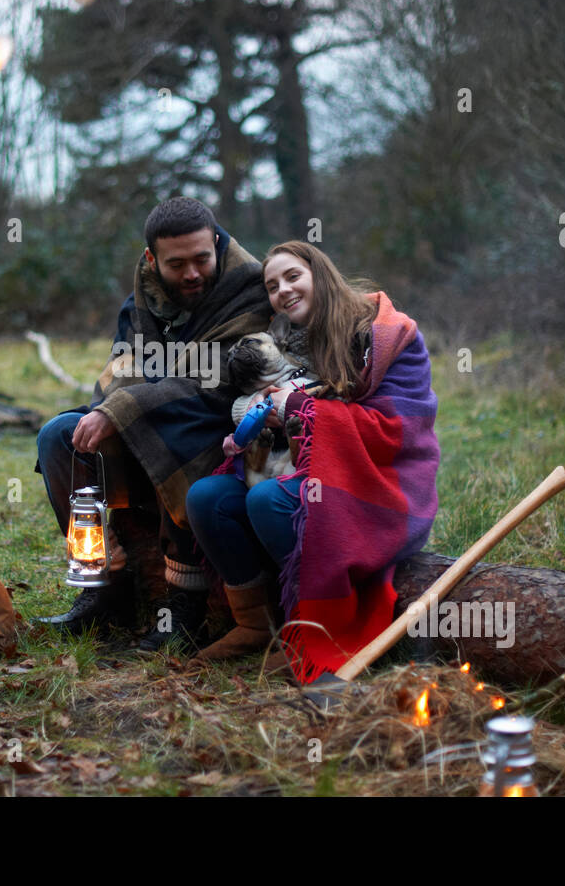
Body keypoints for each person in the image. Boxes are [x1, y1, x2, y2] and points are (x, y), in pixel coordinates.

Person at [184, 240, 440, 681]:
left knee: (268, 501)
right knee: (207, 496)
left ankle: (312, 627)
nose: (282, 290)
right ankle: (254, 624)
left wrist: (297, 408)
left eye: (292, 276)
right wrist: (254, 421)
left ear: (319, 273)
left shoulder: (385, 334)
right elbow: (271, 406)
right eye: (272, 285)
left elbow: (395, 429)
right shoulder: (281, 343)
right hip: (301, 469)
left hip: (376, 483)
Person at [34, 197, 272, 650]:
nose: (192, 274)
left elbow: (218, 379)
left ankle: (183, 607)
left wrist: (124, 408)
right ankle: (103, 586)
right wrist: (111, 409)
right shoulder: (143, 297)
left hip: (215, 442)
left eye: (202, 259)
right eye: (176, 263)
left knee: (175, 421)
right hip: (144, 441)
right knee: (59, 436)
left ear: (218, 245)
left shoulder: (252, 289)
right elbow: (123, 367)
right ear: (152, 259)